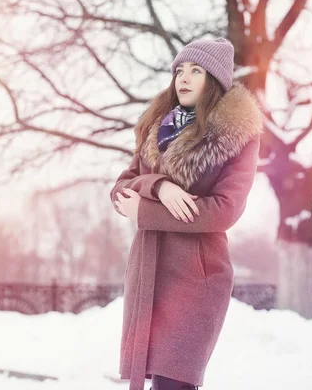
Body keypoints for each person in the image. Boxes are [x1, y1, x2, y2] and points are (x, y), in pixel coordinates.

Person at [110, 37, 263, 390]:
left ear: (214, 81)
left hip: (197, 279)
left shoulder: (237, 136)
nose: (185, 77)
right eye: (180, 69)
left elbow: (225, 210)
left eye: (196, 71)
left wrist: (147, 212)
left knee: (175, 383)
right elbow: (121, 190)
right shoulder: (159, 128)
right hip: (149, 273)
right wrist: (161, 186)